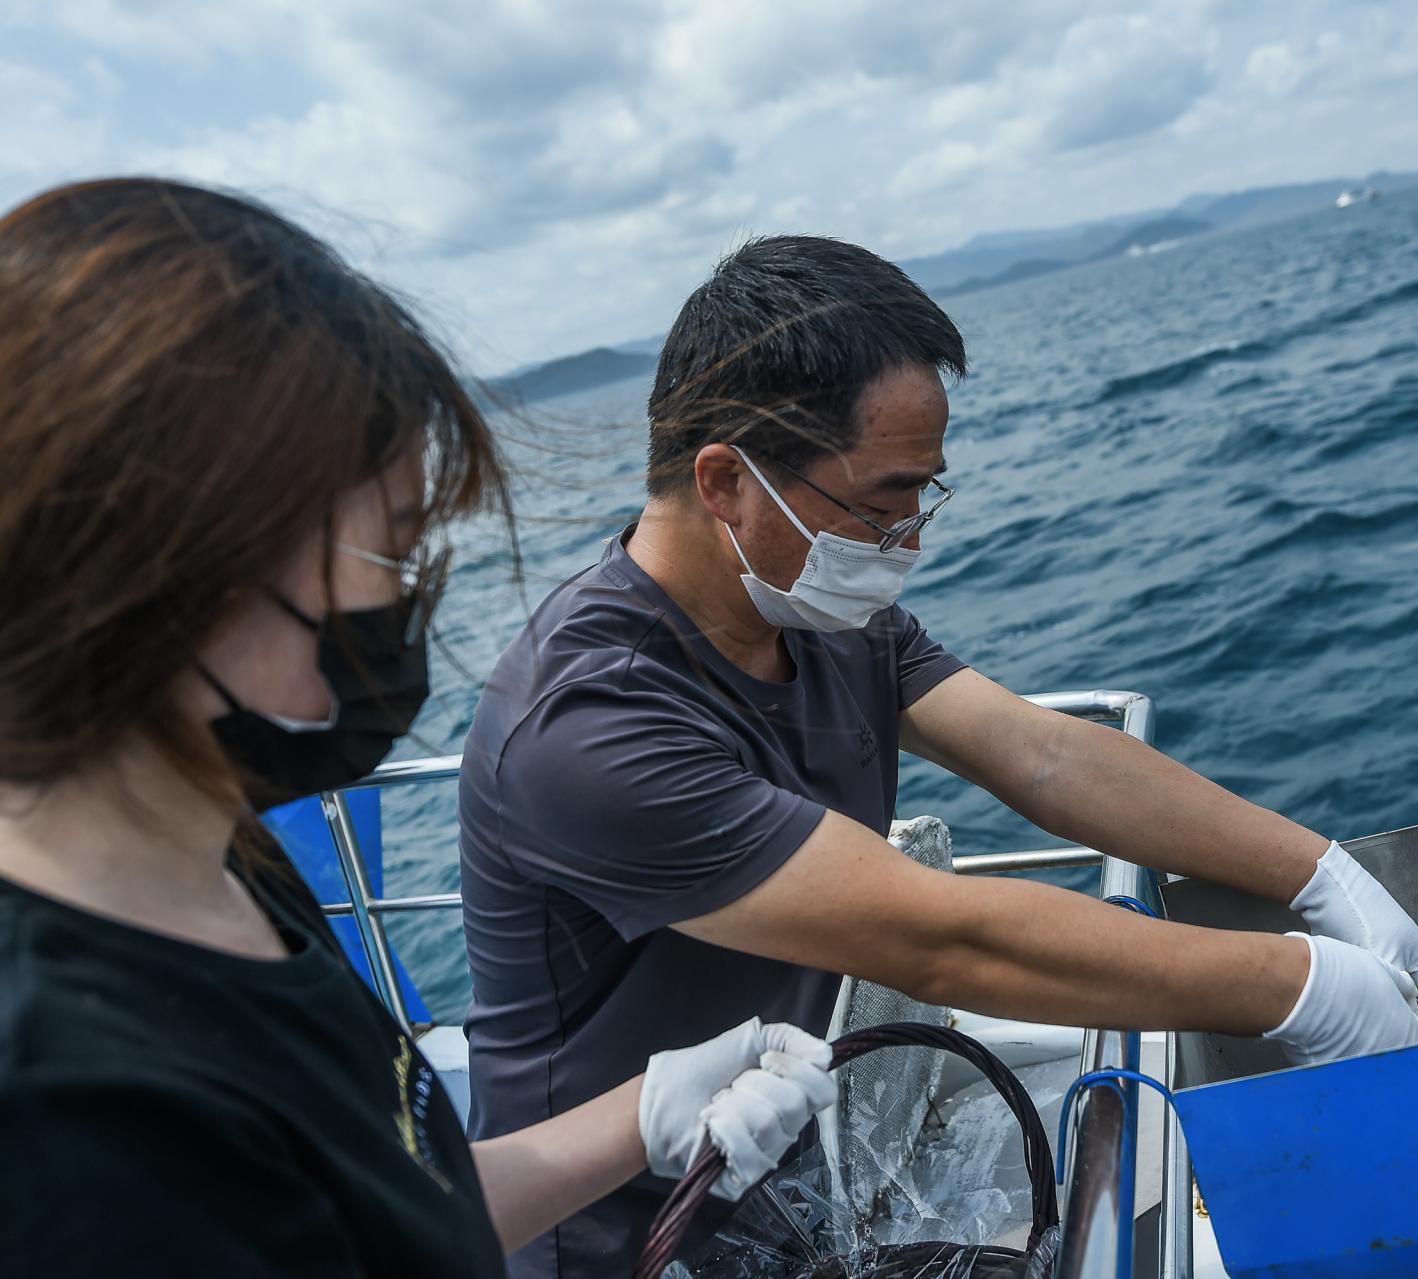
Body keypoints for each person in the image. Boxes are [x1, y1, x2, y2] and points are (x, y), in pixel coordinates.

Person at [459, 235, 1418, 1276]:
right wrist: (1300, 989)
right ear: (724, 481)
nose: (908, 540)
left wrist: (1316, 871)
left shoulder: (817, 610)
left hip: (800, 1182)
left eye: (920, 498)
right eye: (880, 503)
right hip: (635, 1247)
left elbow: (1043, 756)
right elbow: (942, 941)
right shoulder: (586, 724)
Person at [0, 179, 833, 1275]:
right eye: (391, 548)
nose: (406, 600)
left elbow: (391, 1206)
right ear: (187, 559)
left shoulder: (219, 859)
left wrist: (638, 1118)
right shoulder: (68, 1122)